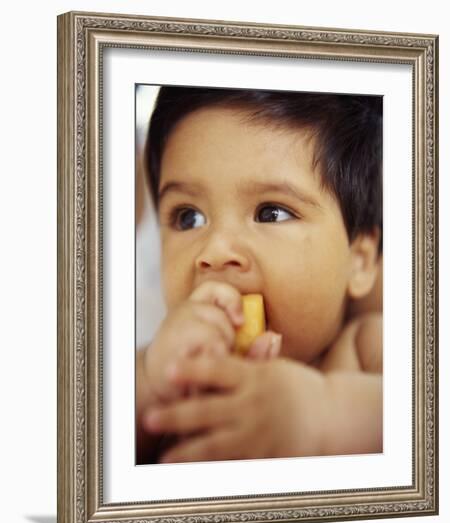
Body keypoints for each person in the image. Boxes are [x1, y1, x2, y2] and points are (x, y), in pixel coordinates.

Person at [136, 86, 383, 464]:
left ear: (360, 260)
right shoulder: (167, 366)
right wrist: (153, 383)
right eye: (188, 217)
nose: (215, 251)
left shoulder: (364, 348)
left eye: (271, 212)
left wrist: (322, 418)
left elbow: (425, 416)